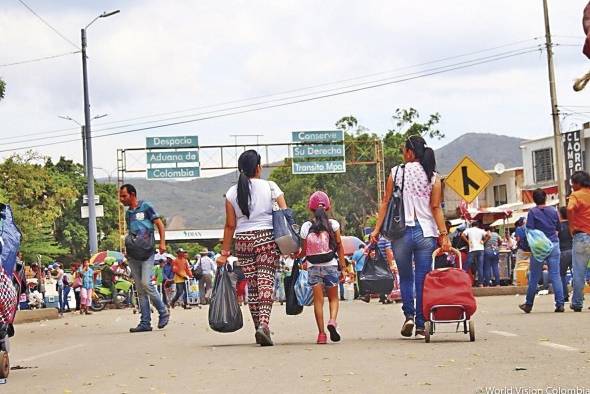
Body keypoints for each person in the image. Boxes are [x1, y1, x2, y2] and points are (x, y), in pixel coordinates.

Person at [371, 135, 451, 340]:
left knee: (405, 277)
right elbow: (435, 208)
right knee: (423, 279)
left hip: (401, 233)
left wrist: (376, 231)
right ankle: (421, 323)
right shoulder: (433, 176)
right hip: (426, 233)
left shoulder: (396, 173)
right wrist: (444, 235)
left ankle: (408, 316)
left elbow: (386, 202)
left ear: (409, 152)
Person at [217, 150, 285, 346]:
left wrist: (224, 253)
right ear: (258, 167)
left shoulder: (231, 193)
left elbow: (230, 225)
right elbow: (285, 214)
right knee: (265, 283)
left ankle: (258, 327)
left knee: (253, 286)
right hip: (266, 238)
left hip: (243, 240)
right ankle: (263, 325)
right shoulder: (271, 187)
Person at [119, 183, 170, 332]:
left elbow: (159, 224)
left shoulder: (146, 206)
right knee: (140, 289)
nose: (121, 199)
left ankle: (163, 311)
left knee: (146, 283)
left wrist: (162, 243)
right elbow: (131, 232)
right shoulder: (129, 213)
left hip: (147, 252)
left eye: (124, 196)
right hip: (133, 254)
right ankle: (145, 322)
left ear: (133, 194)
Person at [298, 191, 345, 344]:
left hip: (313, 267)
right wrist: (342, 267)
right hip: (330, 265)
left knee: (318, 302)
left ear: (310, 208)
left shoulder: (306, 226)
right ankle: (332, 320)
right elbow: (339, 246)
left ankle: (321, 335)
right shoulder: (333, 225)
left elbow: (304, 251)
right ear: (327, 208)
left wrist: (297, 257)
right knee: (333, 298)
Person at [519, 189, 564, 313]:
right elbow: (558, 228)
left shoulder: (533, 212)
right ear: (545, 198)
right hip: (553, 244)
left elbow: (529, 230)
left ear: (534, 200)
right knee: (555, 275)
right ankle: (560, 304)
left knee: (534, 276)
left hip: (539, 247)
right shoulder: (553, 211)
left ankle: (529, 304)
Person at [566, 171, 590, 312]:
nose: (572, 186)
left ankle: (577, 303)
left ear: (578, 183)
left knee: (579, 272)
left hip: (581, 237)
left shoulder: (576, 195)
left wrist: (571, 225)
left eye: (573, 183)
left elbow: (569, 208)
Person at [462, 222, 489, 286]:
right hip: (480, 249)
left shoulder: (468, 230)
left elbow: (462, 235)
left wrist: (468, 241)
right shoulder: (481, 230)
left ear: (472, 225)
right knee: (480, 267)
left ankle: (462, 278)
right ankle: (481, 283)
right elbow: (489, 235)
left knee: (467, 265)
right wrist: (484, 241)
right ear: (477, 225)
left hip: (472, 249)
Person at [558, 206, 573, 303]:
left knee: (561, 275)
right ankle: (579, 294)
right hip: (573, 250)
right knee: (576, 274)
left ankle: (564, 295)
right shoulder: (572, 225)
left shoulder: (558, 226)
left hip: (562, 252)